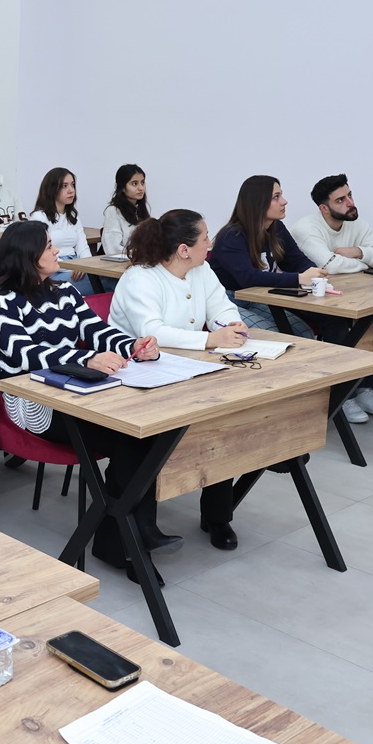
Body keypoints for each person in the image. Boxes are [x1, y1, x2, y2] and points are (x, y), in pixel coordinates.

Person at [0, 221, 171, 579]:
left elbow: (97, 331)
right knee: (130, 440)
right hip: (31, 405)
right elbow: (23, 354)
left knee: (145, 436)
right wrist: (85, 360)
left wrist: (134, 346)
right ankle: (128, 540)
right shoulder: (0, 303)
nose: (57, 252)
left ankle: (125, 538)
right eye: (49, 247)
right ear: (27, 256)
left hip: (76, 393)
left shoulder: (65, 293)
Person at [109, 212, 251, 551]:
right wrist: (210, 340)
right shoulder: (140, 278)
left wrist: (233, 325)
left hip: (188, 370)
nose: (211, 243)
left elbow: (221, 306)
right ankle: (142, 527)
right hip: (139, 378)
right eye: (205, 237)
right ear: (184, 249)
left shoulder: (200, 270)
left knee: (221, 423)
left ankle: (218, 516)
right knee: (170, 436)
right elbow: (151, 331)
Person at [213, 176, 373, 424]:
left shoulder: (276, 228)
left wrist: (315, 274)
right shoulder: (232, 236)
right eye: (276, 197)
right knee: (281, 337)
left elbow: (296, 260)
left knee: (309, 330)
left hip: (261, 295)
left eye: (281, 194)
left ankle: (338, 394)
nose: (285, 201)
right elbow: (248, 277)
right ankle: (298, 401)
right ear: (257, 202)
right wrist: (299, 279)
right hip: (231, 301)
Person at [290, 173, 373, 418]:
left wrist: (356, 251)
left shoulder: (356, 222)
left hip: (344, 294)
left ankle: (365, 387)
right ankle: (342, 395)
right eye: (340, 200)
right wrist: (364, 261)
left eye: (349, 195)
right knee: (336, 325)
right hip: (304, 296)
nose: (349, 203)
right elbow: (330, 265)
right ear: (324, 208)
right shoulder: (305, 229)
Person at [28, 167, 93, 295]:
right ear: (52, 189)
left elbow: (83, 248)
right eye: (64, 186)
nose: (71, 190)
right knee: (107, 282)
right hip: (54, 272)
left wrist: (86, 265)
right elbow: (41, 254)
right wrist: (74, 267)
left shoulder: (73, 217)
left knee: (106, 279)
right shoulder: (39, 217)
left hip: (77, 267)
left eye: (72, 185)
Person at [101, 164, 151, 256]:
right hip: (122, 263)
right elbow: (113, 249)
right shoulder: (113, 211)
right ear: (123, 187)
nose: (141, 188)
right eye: (134, 184)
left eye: (142, 182)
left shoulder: (141, 210)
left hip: (141, 261)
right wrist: (140, 255)